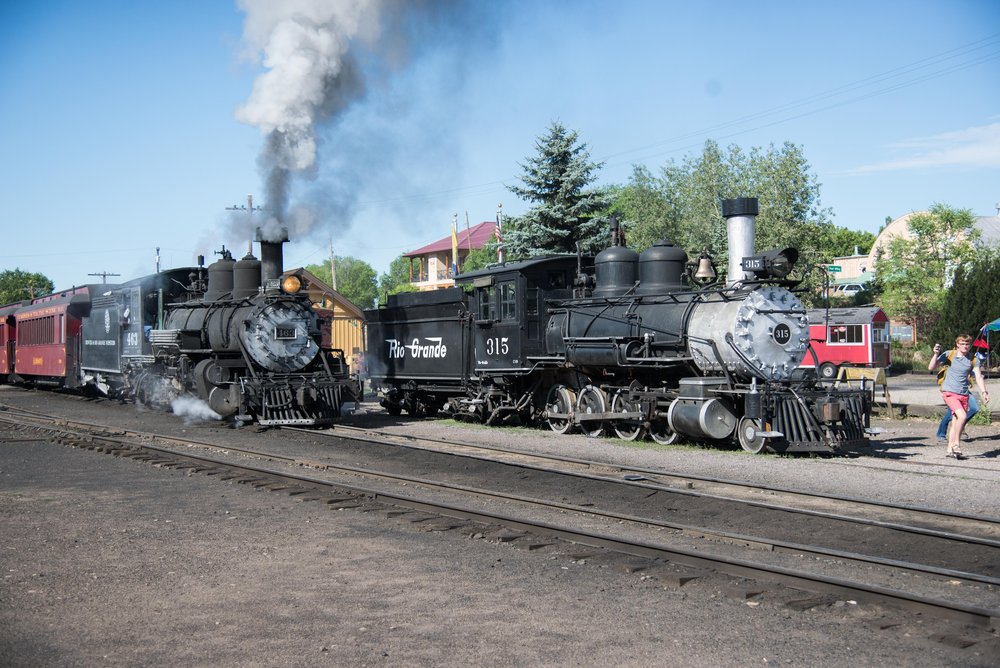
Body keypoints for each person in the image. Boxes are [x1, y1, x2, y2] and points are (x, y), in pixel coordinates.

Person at [928, 335, 990, 459]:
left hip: (963, 394)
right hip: (949, 391)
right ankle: (956, 444)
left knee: (957, 421)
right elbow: (931, 367)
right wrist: (935, 354)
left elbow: (978, 376)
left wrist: (984, 392)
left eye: (967, 344)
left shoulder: (973, 359)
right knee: (962, 416)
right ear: (957, 344)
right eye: (962, 344)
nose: (965, 346)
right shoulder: (949, 355)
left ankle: (950, 449)